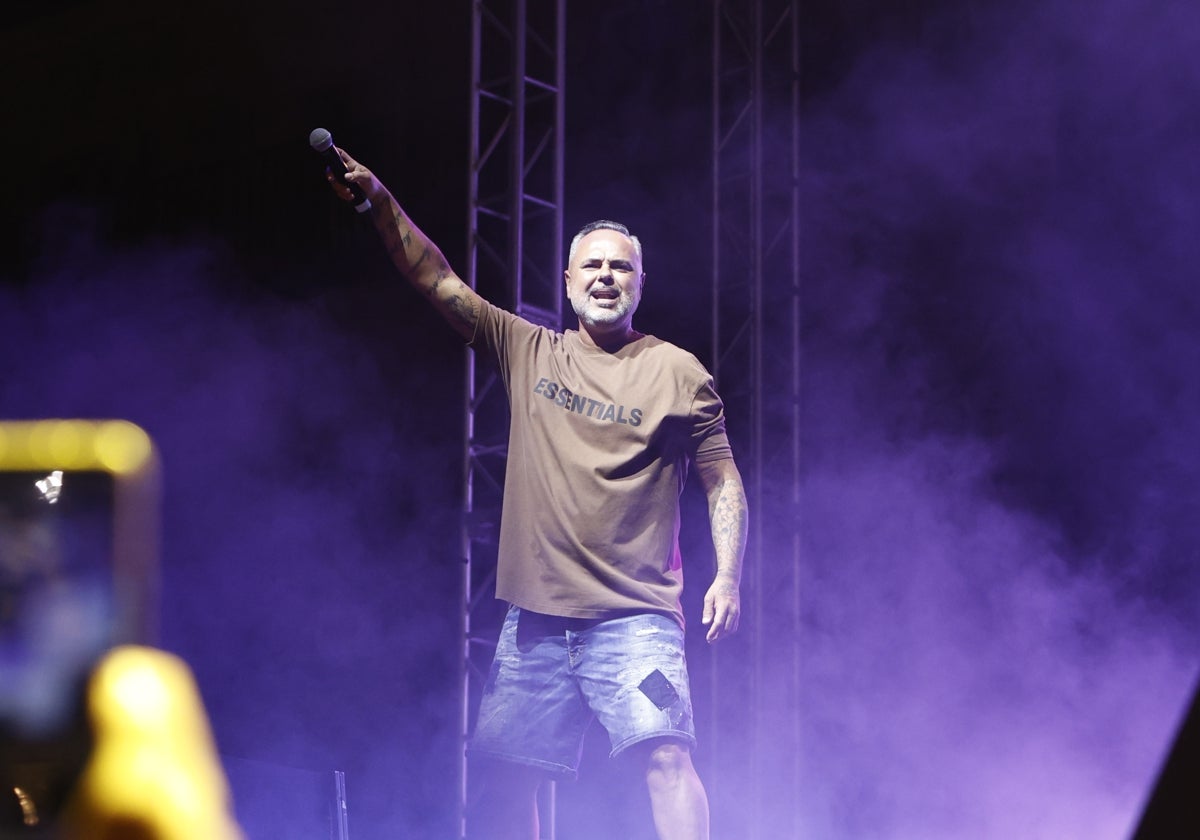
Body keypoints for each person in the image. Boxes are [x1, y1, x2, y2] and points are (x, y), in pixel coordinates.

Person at [326, 148, 748, 840]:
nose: (607, 276)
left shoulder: (678, 372)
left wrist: (728, 575)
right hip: (536, 622)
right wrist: (378, 200)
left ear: (641, 282)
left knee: (668, 755)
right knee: (505, 776)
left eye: (621, 266)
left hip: (635, 617)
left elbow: (722, 476)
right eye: (594, 265)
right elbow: (436, 279)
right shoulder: (530, 350)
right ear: (569, 279)